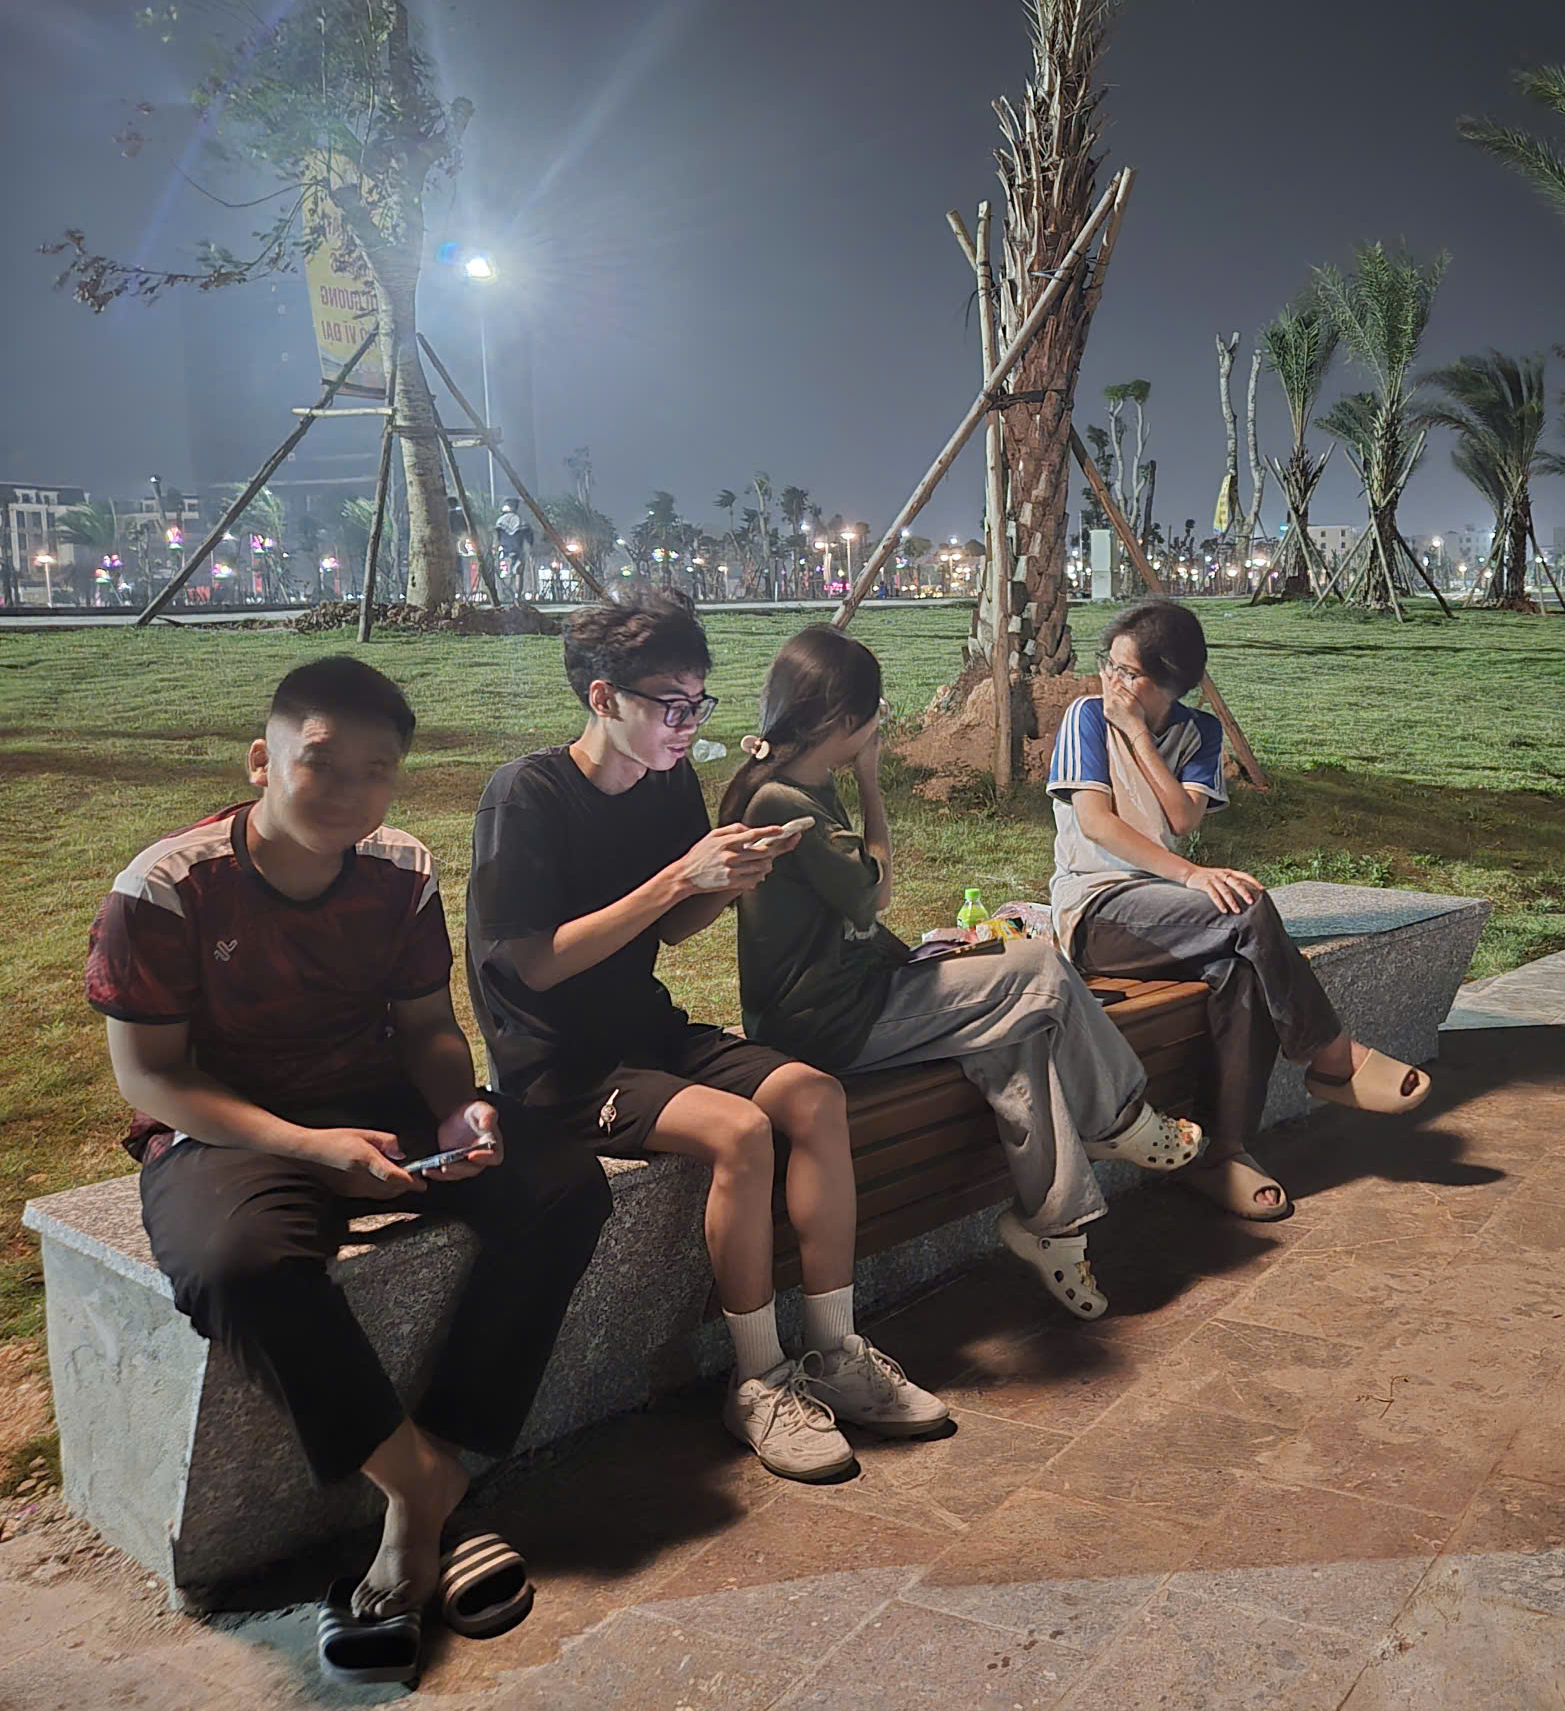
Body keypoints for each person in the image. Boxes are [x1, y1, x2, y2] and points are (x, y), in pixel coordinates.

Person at [87, 657, 609, 1682]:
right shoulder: (167, 887)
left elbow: (426, 1030)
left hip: (370, 1091)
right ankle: (417, 1490)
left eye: (377, 771)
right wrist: (306, 1147)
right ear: (262, 760)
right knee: (240, 1264)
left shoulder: (400, 868)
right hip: (222, 1121)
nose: (349, 792)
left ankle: (443, 1452)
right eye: (321, 763)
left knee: (563, 1188)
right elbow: (152, 1076)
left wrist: (455, 1107)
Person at [467, 591, 947, 1485]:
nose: (688, 726)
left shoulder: (667, 783)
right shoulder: (527, 794)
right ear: (603, 698)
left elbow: (677, 930)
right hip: (560, 1064)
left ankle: (834, 1352)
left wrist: (730, 880)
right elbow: (531, 965)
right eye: (671, 707)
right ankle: (758, 1380)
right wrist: (678, 878)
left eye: (698, 704)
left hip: (646, 1029)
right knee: (742, 1131)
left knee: (815, 1096)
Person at [725, 628, 1202, 1321]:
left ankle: (1056, 1228)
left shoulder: (805, 785)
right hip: (829, 1022)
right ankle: (1120, 1116)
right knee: (1039, 969)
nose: (879, 724)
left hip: (862, 994)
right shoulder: (781, 801)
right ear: (844, 719)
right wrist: (871, 781)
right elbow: (875, 892)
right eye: (874, 713)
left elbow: (853, 919)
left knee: (1018, 1029)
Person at [1048, 598, 1429, 1222]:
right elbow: (1097, 823)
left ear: (1170, 682)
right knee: (1247, 908)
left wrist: (1140, 735)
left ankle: (1222, 1154)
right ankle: (1331, 1055)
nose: (1110, 680)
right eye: (1109, 665)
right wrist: (1193, 876)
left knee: (1242, 971)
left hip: (1167, 908)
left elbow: (1182, 818)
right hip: (1096, 909)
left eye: (1127, 672)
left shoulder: (1200, 732)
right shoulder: (1086, 717)